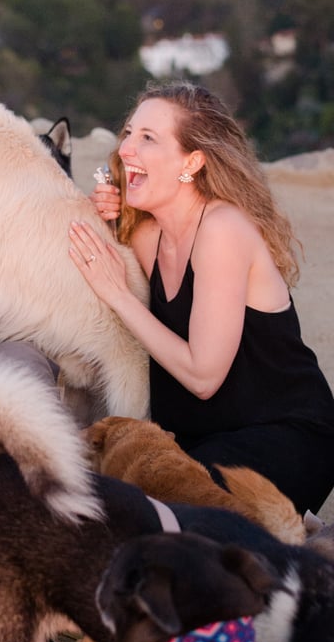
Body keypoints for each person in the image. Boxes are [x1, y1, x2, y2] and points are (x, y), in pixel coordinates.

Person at [69, 79, 334, 515]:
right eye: (129, 133)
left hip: (281, 434)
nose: (125, 149)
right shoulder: (147, 233)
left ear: (191, 162)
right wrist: (106, 215)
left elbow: (203, 377)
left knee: (160, 512)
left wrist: (118, 294)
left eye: (148, 138)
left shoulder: (222, 230)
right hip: (199, 441)